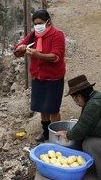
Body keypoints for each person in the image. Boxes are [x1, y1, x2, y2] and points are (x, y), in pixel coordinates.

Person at [13, 9, 66, 142]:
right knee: (43, 107)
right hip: (38, 76)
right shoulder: (33, 35)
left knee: (53, 108)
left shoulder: (57, 35)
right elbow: (18, 49)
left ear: (48, 22)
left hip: (53, 77)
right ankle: (46, 133)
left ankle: (56, 135)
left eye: (40, 23)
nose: (38, 26)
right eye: (35, 24)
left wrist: (38, 55)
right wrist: (20, 48)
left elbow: (56, 56)